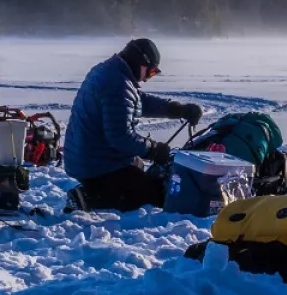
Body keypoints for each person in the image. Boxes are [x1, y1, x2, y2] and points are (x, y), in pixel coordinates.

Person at [63, 39, 203, 212]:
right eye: (150, 71)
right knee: (153, 196)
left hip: (86, 155)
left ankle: (99, 190)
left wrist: (176, 110)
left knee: (139, 169)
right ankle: (88, 197)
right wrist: (153, 149)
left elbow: (136, 101)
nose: (148, 78)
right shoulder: (117, 83)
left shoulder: (113, 73)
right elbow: (120, 136)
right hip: (95, 163)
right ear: (139, 61)